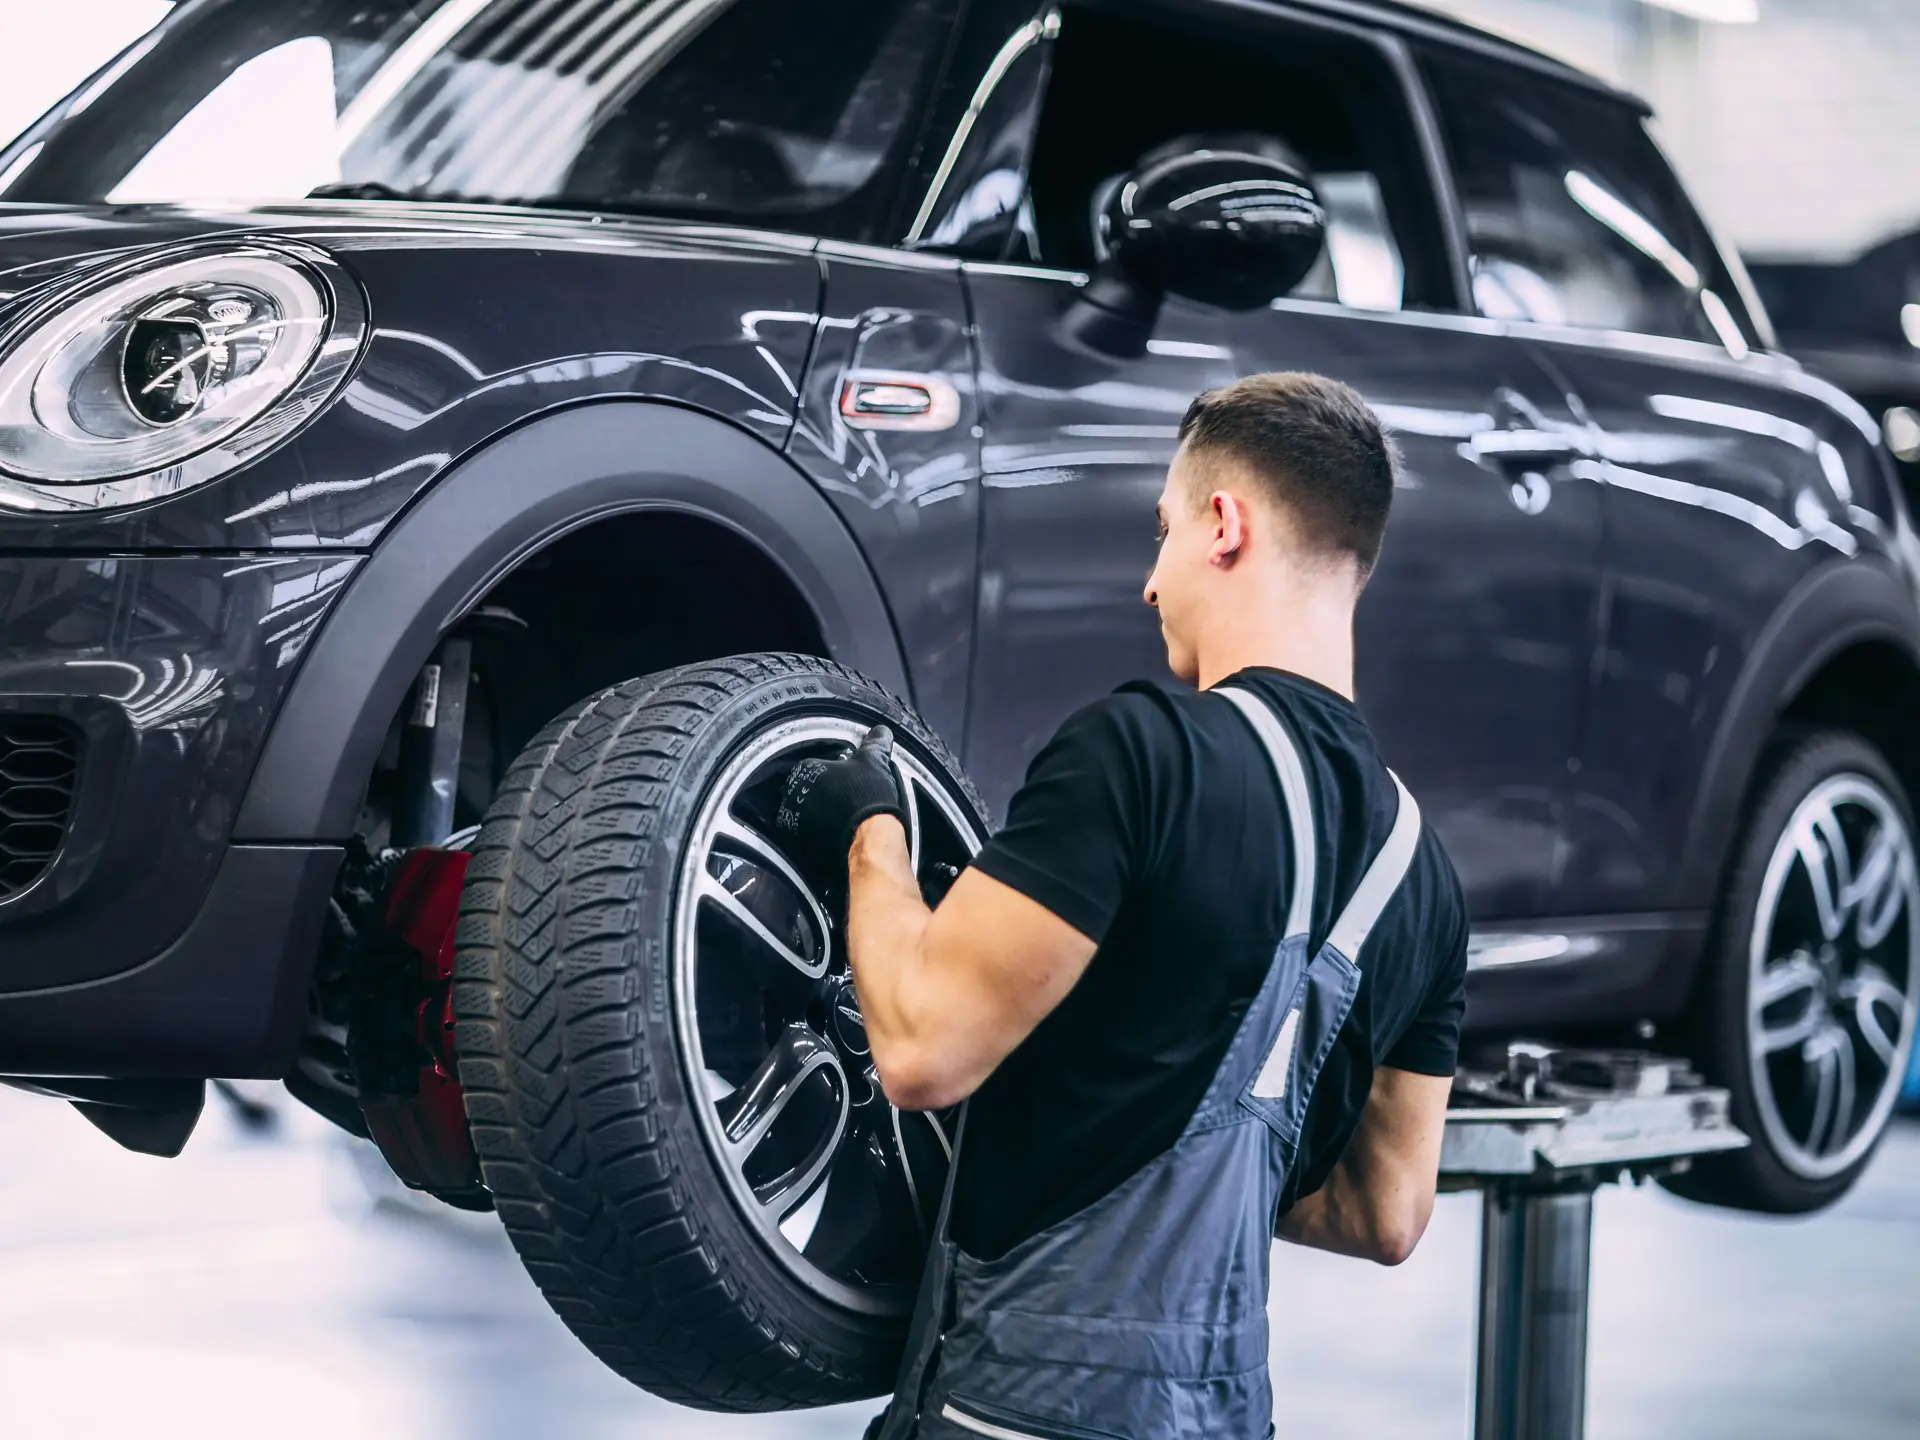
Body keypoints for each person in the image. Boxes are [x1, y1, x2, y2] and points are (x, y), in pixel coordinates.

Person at [775, 372, 1470, 1439]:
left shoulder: (1145, 754)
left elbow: (918, 1049)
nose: (1151, 584)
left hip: (1011, 1413)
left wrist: (871, 832)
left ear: (1225, 526)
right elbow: (1387, 1211)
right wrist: (1162, 1114)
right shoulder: (1424, 876)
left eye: (1164, 534)